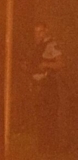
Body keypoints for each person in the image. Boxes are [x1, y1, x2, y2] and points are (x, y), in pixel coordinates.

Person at [30, 22, 64, 153]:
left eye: (41, 31)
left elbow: (60, 64)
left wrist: (46, 64)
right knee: (40, 116)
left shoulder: (51, 45)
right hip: (37, 84)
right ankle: (43, 147)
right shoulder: (37, 46)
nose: (38, 34)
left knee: (49, 116)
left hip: (47, 84)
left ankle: (52, 147)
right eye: (36, 32)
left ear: (46, 31)